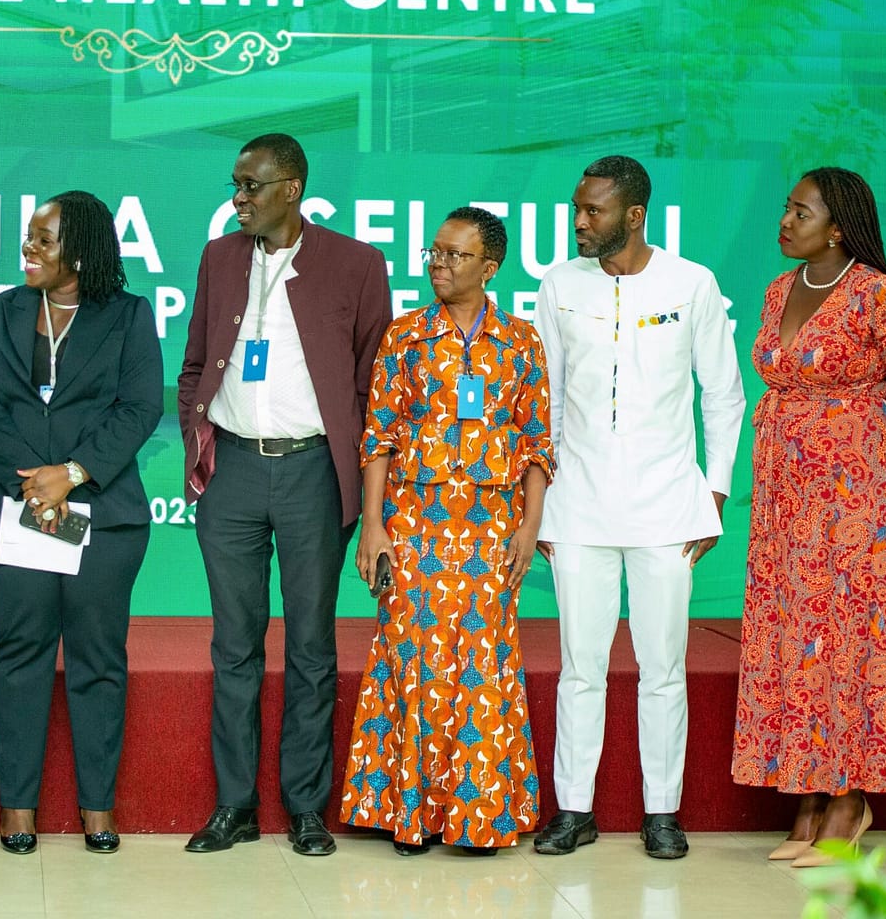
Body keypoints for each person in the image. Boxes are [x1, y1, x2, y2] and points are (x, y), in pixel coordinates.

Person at [178, 132, 392, 857]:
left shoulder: (356, 264)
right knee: (233, 645)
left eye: (251, 186)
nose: (238, 199)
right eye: (236, 186)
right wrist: (199, 443)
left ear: (292, 188)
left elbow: (372, 383)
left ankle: (305, 807)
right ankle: (234, 806)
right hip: (233, 472)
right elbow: (194, 364)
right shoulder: (219, 257)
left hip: (311, 472)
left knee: (310, 645)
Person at [532, 155, 745, 860]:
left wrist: (713, 492)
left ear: (633, 215)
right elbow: (546, 397)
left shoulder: (692, 283)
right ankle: (573, 810)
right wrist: (544, 500)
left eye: (592, 210)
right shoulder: (558, 284)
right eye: (576, 208)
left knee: (663, 668)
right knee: (579, 668)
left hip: (667, 507)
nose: (579, 221)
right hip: (577, 506)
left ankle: (662, 813)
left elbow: (723, 393)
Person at [732, 167, 886, 866]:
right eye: (786, 208)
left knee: (853, 640)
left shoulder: (879, 294)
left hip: (860, 505)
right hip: (785, 503)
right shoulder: (777, 290)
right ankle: (810, 794)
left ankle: (851, 800)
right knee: (797, 637)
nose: (785, 221)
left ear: (838, 228)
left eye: (801, 212)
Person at [340, 207, 553, 856]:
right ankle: (411, 814)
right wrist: (372, 526)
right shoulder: (405, 335)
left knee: (482, 661)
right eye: (434, 252)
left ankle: (476, 815)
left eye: (455, 255)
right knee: (414, 657)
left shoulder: (520, 341)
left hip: (491, 527)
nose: (438, 264)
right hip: (413, 524)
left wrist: (529, 527)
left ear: (489, 268)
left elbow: (536, 442)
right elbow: (377, 435)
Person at [0, 191, 163, 855]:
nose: (29, 249)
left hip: (104, 517)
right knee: (19, 654)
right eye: (28, 237)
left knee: (97, 659)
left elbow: (138, 408)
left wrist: (72, 474)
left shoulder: (129, 316)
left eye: (43, 240)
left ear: (79, 251)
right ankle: (16, 807)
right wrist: (33, 482)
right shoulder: (0, 312)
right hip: (17, 508)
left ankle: (97, 807)